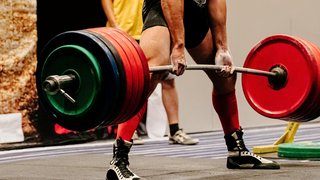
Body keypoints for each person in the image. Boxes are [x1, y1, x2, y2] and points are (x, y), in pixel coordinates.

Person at [105, 0, 281, 179]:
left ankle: (237, 151)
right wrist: (178, 46)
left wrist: (222, 48)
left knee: (225, 78)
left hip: (196, 10)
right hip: (163, 8)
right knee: (149, 75)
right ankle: (119, 160)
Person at [101, 0, 198, 146]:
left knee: (168, 79)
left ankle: (175, 130)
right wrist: (115, 26)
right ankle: (127, 132)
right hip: (124, 33)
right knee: (132, 83)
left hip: (150, 28)